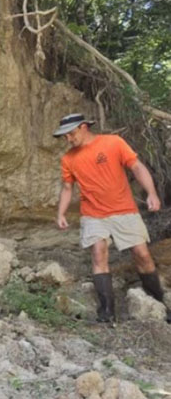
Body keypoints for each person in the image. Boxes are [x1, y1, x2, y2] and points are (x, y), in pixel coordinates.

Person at [53, 113, 170, 323]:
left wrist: (151, 193)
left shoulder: (113, 143)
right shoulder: (68, 159)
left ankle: (158, 302)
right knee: (99, 254)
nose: (68, 140)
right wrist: (61, 213)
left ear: (83, 127)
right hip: (93, 215)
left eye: (70, 134)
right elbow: (68, 187)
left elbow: (137, 167)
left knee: (142, 254)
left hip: (124, 210)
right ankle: (107, 312)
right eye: (65, 137)